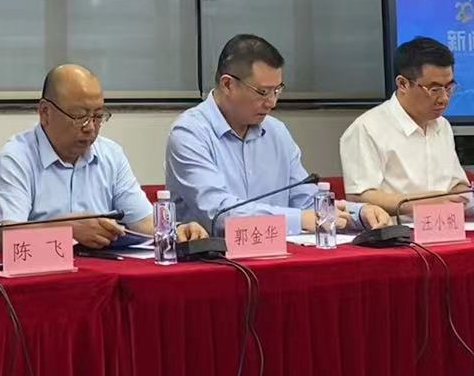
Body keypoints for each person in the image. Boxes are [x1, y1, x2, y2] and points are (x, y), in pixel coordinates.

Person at [166, 33, 392, 235]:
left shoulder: (276, 132)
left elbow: (305, 201)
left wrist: (359, 213)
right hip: (212, 259)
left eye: (277, 90)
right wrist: (298, 220)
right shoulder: (190, 134)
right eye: (262, 92)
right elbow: (220, 213)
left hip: (277, 255)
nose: (272, 102)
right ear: (228, 85)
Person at [0, 63, 207, 249]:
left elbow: (142, 221)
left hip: (95, 275)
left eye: (98, 116)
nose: (90, 127)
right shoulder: (14, 160)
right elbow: (8, 237)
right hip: (34, 279)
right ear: (45, 113)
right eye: (79, 116)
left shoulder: (110, 155)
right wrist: (68, 229)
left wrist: (177, 230)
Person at [340, 37, 470, 217]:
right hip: (396, 230)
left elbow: (456, 185)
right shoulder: (367, 128)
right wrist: (421, 203)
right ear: (403, 84)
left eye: (449, 88)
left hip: (445, 226)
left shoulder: (442, 125)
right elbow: (360, 197)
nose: (444, 98)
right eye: (434, 89)